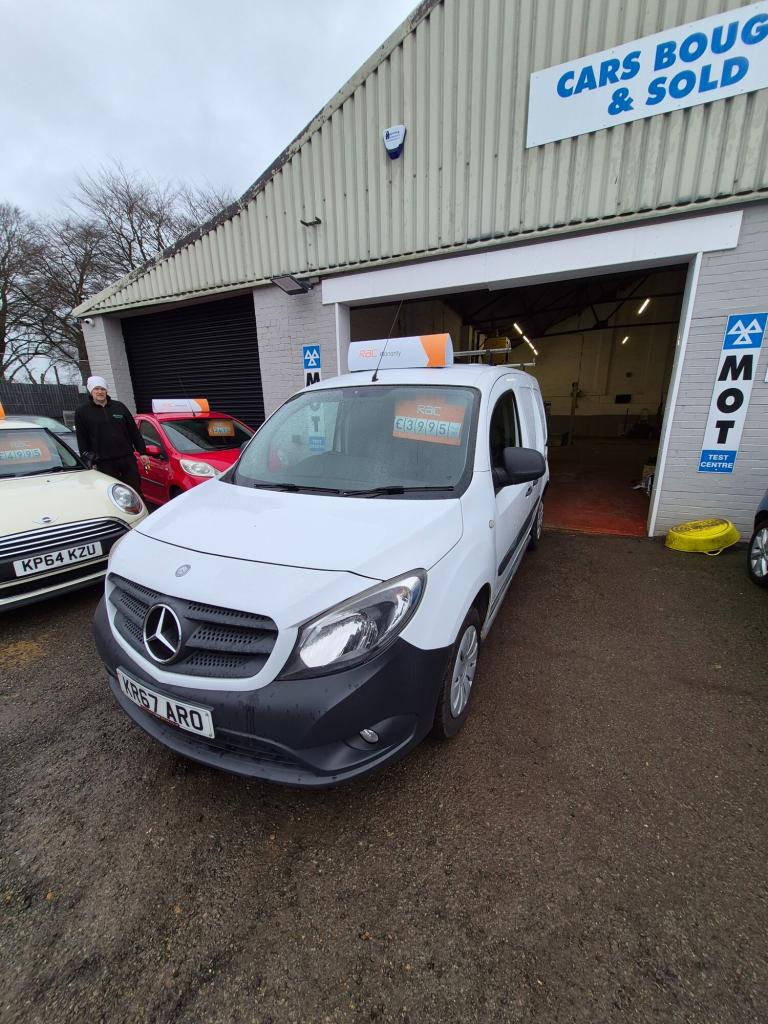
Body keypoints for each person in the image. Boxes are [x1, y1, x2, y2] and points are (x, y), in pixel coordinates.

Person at [75, 376, 149, 492]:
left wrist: (143, 452)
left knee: (135, 490)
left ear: (107, 390)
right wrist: (87, 460)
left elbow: (133, 431)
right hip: (104, 462)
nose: (100, 392)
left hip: (127, 459)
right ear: (91, 391)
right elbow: (82, 438)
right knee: (113, 492)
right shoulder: (82, 411)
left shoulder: (119, 407)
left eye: (102, 389)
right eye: (96, 389)